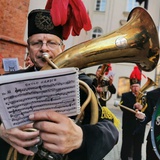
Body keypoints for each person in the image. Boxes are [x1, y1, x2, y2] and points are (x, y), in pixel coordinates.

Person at [0, 1, 119, 160]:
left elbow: (110, 130)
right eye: (37, 43)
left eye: (51, 42)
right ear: (29, 49)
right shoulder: (9, 81)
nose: (44, 48)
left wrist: (82, 138)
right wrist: (1, 130)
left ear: (62, 48)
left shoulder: (82, 84)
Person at [120, 66, 147, 160]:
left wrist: (142, 107)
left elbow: (148, 110)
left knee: (138, 148)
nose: (135, 89)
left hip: (139, 127)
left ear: (140, 87)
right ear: (130, 87)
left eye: (137, 86)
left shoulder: (145, 96)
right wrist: (134, 106)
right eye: (133, 87)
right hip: (128, 126)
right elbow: (122, 107)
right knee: (126, 147)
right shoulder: (125, 95)